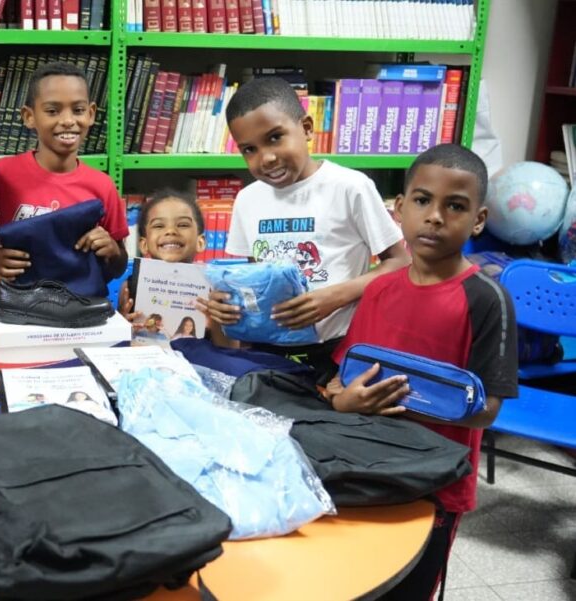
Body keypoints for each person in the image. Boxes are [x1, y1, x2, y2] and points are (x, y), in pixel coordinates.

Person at [325, 144, 518, 600]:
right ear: (399, 208)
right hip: (367, 470)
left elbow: (487, 409)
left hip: (436, 484)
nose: (435, 216)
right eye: (422, 200)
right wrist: (342, 400)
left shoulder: (487, 299)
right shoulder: (378, 290)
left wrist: (394, 403)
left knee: (408, 589)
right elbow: (342, 379)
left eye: (455, 206)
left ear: (478, 220)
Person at [200, 76, 409, 379]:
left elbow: (400, 262)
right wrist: (224, 306)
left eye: (275, 137)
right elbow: (252, 279)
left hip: (337, 350)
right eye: (249, 149)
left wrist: (335, 296)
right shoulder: (247, 199)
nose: (266, 158)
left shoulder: (350, 187)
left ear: (307, 128)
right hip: (266, 352)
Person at [0, 61, 128, 283]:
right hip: (17, 300)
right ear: (29, 116)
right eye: (52, 111)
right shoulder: (3, 173)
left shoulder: (103, 185)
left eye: (78, 110)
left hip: (79, 301)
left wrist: (111, 249)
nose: (68, 121)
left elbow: (118, 267)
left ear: (91, 114)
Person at [121, 189, 237, 348]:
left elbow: (230, 349)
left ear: (201, 242)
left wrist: (216, 322)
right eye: (159, 225)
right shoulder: (130, 287)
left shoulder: (215, 291)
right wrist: (123, 325)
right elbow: (121, 343)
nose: (170, 231)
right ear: (143, 244)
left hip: (198, 361)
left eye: (183, 225)